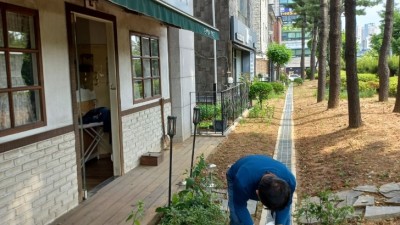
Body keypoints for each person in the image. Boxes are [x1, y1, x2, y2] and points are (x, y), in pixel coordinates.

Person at [226, 155, 296, 225]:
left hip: (256, 166)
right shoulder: (241, 182)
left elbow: (285, 206)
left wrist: (280, 223)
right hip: (235, 175)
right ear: (257, 193)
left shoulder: (289, 181)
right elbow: (239, 207)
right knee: (236, 219)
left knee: (283, 218)